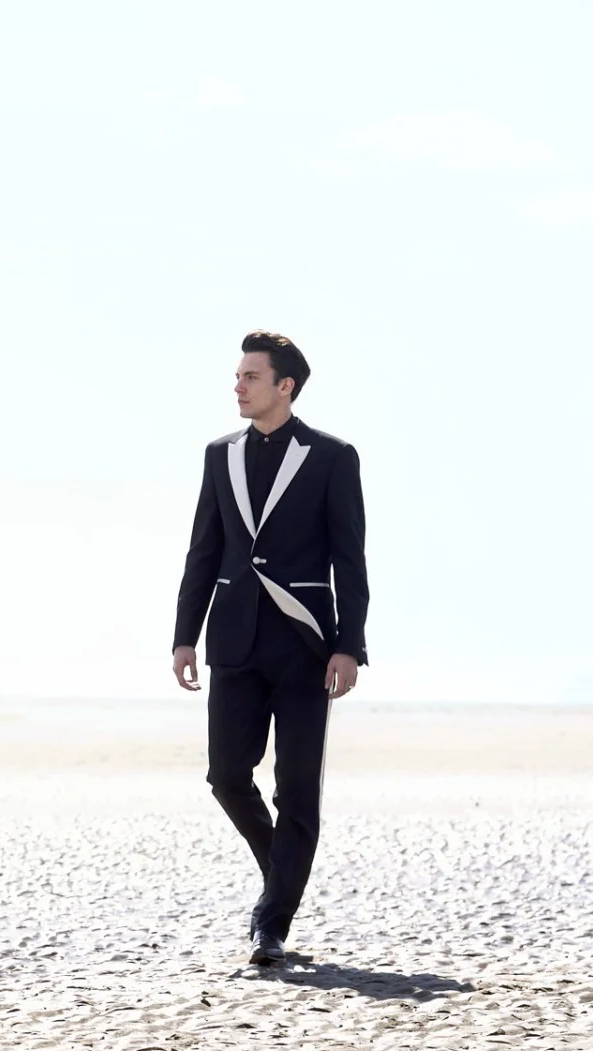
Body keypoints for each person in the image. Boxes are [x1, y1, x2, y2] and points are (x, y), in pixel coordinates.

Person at [171, 330, 369, 965]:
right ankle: (282, 871)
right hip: (233, 640)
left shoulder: (332, 457)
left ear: (286, 386)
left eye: (250, 376)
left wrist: (349, 646)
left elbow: (350, 559)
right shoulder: (219, 455)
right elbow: (204, 550)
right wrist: (184, 635)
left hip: (306, 644)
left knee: (297, 790)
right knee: (227, 776)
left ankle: (271, 922)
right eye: (238, 375)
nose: (238, 385)